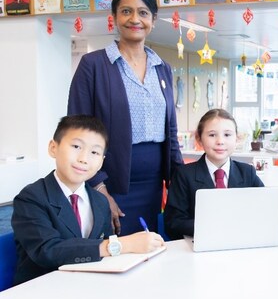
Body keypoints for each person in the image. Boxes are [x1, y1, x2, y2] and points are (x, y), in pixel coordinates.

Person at [68, 0, 183, 235]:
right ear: (114, 17)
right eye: (126, 11)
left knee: (150, 244)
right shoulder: (93, 66)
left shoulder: (162, 68)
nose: (134, 19)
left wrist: (179, 181)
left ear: (153, 20)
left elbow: (171, 132)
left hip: (154, 185)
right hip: (111, 182)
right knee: (116, 248)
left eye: (143, 12)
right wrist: (99, 188)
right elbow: (76, 133)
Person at [11, 115, 164, 285]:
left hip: (90, 286)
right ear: (53, 148)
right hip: (42, 290)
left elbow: (107, 258)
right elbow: (48, 251)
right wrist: (122, 245)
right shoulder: (31, 198)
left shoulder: (100, 201)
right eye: (76, 146)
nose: (84, 158)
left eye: (94, 152)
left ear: (101, 162)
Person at [164, 109, 264, 239]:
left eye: (227, 135)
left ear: (237, 138)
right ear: (199, 139)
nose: (220, 141)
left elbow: (265, 209)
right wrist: (213, 227)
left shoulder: (247, 172)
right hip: (198, 243)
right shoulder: (183, 175)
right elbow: (173, 222)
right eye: (212, 135)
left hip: (240, 242)